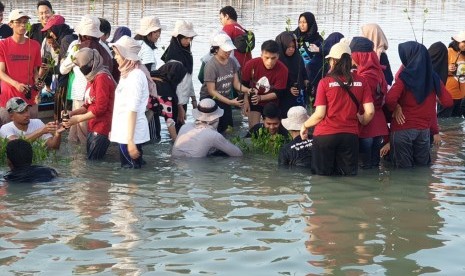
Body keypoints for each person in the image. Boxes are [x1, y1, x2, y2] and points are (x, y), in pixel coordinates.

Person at [300, 41, 375, 176]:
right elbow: (370, 111)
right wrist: (363, 121)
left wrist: (305, 125)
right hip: (350, 136)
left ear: (333, 61)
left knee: (321, 178)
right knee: (348, 178)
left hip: (325, 136)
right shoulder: (362, 81)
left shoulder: (325, 83)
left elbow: (319, 114)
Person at [385, 41, 453, 168]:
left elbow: (389, 99)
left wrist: (396, 107)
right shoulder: (433, 77)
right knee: (422, 168)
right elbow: (448, 101)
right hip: (423, 132)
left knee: (402, 171)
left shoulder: (404, 77)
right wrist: (435, 97)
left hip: (402, 128)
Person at [62, 48, 116, 160]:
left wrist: (77, 120)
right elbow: (88, 105)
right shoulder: (92, 78)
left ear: (91, 63)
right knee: (92, 160)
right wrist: (72, 113)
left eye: (82, 66)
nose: (81, 69)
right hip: (93, 126)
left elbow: (100, 108)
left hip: (102, 128)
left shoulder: (102, 78)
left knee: (94, 163)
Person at [109, 35, 154, 168]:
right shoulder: (126, 73)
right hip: (125, 131)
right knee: (131, 170)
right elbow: (122, 107)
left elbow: (132, 109)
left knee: (130, 172)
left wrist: (130, 140)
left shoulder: (135, 77)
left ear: (126, 55)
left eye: (117, 54)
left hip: (130, 134)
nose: (115, 57)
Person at [199, 32, 250, 133]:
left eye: (229, 50)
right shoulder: (211, 65)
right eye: (225, 50)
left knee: (228, 129)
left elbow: (236, 84)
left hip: (225, 98)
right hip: (210, 100)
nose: (228, 52)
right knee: (211, 130)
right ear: (216, 49)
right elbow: (211, 91)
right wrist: (230, 102)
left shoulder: (232, 62)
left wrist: (248, 90)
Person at [350, 36, 389, 169]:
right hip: (379, 126)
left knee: (363, 169)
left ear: (358, 55)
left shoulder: (363, 77)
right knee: (374, 166)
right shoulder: (379, 73)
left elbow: (360, 103)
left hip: (364, 125)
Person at [0, 9, 43, 125]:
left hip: (29, 98)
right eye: (18, 22)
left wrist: (39, 82)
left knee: (32, 133)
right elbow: (1, 72)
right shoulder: (2, 45)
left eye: (25, 21)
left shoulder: (35, 45)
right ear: (10, 24)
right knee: (7, 136)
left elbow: (35, 71)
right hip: (9, 98)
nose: (23, 24)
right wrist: (16, 84)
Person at [172, 98, 243, 158]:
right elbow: (238, 154)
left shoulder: (185, 126)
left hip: (177, 165)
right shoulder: (213, 135)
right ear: (216, 117)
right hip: (197, 169)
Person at [241, 40, 288, 129]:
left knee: (272, 128)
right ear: (261, 55)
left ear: (278, 56)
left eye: (273, 58)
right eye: (266, 57)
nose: (269, 62)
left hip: (272, 102)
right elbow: (245, 85)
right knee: (254, 129)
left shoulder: (283, 69)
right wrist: (246, 101)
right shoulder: (250, 64)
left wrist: (261, 98)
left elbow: (279, 93)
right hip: (253, 99)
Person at [161, 20, 198, 127]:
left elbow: (188, 78)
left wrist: (193, 99)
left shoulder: (186, 54)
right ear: (178, 38)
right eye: (185, 38)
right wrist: (180, 107)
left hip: (183, 100)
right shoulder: (173, 59)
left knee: (180, 129)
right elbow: (172, 86)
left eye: (190, 38)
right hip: (176, 102)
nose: (188, 41)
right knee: (177, 128)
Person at [135, 16, 165, 141]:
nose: (158, 35)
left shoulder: (137, 44)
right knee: (152, 130)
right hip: (146, 94)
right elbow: (145, 73)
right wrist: (157, 78)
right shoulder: (147, 50)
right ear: (148, 33)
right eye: (155, 32)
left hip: (136, 91)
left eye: (159, 32)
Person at [275, 31, 309, 118]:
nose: (291, 49)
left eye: (293, 47)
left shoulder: (298, 58)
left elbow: (304, 73)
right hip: (283, 97)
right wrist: (289, 89)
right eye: (288, 47)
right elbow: (276, 82)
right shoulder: (277, 61)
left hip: (298, 95)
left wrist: (307, 83)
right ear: (282, 46)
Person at [151, 60, 187, 141]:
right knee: (153, 139)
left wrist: (180, 107)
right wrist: (176, 142)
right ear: (175, 76)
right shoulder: (164, 89)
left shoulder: (153, 76)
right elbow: (169, 120)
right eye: (180, 77)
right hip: (146, 115)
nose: (181, 81)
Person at [293, 12, 324, 95]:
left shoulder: (318, 39)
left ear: (310, 23)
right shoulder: (294, 36)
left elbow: (322, 57)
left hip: (312, 72)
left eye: (304, 22)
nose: (301, 25)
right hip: (297, 70)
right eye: (300, 22)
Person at [441, 31, 465, 117]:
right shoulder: (448, 52)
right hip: (447, 93)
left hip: (461, 95)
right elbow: (437, 69)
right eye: (464, 42)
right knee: (443, 120)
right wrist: (447, 69)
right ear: (457, 41)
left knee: (456, 122)